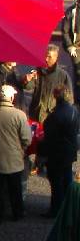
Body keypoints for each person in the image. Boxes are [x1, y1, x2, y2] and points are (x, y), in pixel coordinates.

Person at [0, 85, 32, 223]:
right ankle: (17, 213)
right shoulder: (19, 115)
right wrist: (22, 149)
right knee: (15, 188)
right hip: (14, 159)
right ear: (11, 98)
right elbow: (27, 138)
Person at [38, 85, 80, 218]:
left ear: (56, 97)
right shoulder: (74, 110)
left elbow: (48, 137)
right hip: (69, 151)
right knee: (67, 180)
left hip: (57, 153)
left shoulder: (55, 116)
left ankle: (57, 211)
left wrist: (41, 153)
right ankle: (69, 209)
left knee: (56, 184)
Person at [23, 44, 74, 124]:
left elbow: (69, 99)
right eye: (45, 56)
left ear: (56, 58)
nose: (46, 59)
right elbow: (29, 87)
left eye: (49, 57)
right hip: (36, 114)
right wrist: (27, 81)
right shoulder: (37, 71)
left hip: (53, 116)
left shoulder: (63, 75)